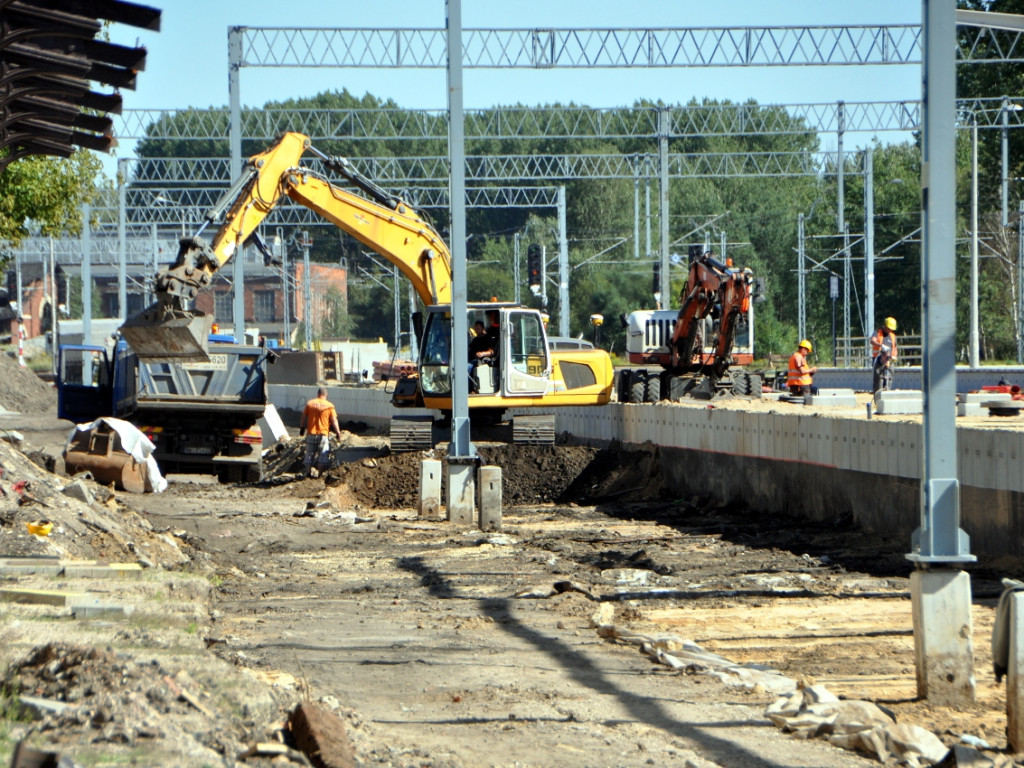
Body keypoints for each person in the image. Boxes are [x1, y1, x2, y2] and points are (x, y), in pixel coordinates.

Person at [298, 387, 343, 478]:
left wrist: (302, 428)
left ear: (318, 394)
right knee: (323, 454)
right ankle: (320, 475)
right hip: (323, 434)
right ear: (326, 395)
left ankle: (308, 473)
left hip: (311, 432)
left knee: (309, 453)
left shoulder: (310, 403)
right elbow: (334, 420)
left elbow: (303, 416)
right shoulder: (329, 406)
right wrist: (338, 432)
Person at [468, 312, 500, 393]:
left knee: (467, 368)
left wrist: (482, 353)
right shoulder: (475, 339)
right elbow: (469, 348)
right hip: (472, 359)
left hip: (481, 360)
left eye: (478, 328)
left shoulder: (488, 338)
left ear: (483, 328)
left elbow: (492, 352)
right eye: (475, 328)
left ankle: (469, 389)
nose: (476, 330)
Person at [870, 316, 898, 393]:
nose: (890, 330)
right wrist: (880, 345)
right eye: (889, 328)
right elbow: (872, 341)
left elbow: (895, 348)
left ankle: (887, 396)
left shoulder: (893, 336)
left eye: (891, 329)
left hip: (889, 360)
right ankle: (877, 397)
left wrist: (894, 356)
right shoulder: (877, 333)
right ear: (885, 326)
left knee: (889, 379)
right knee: (878, 380)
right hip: (878, 361)